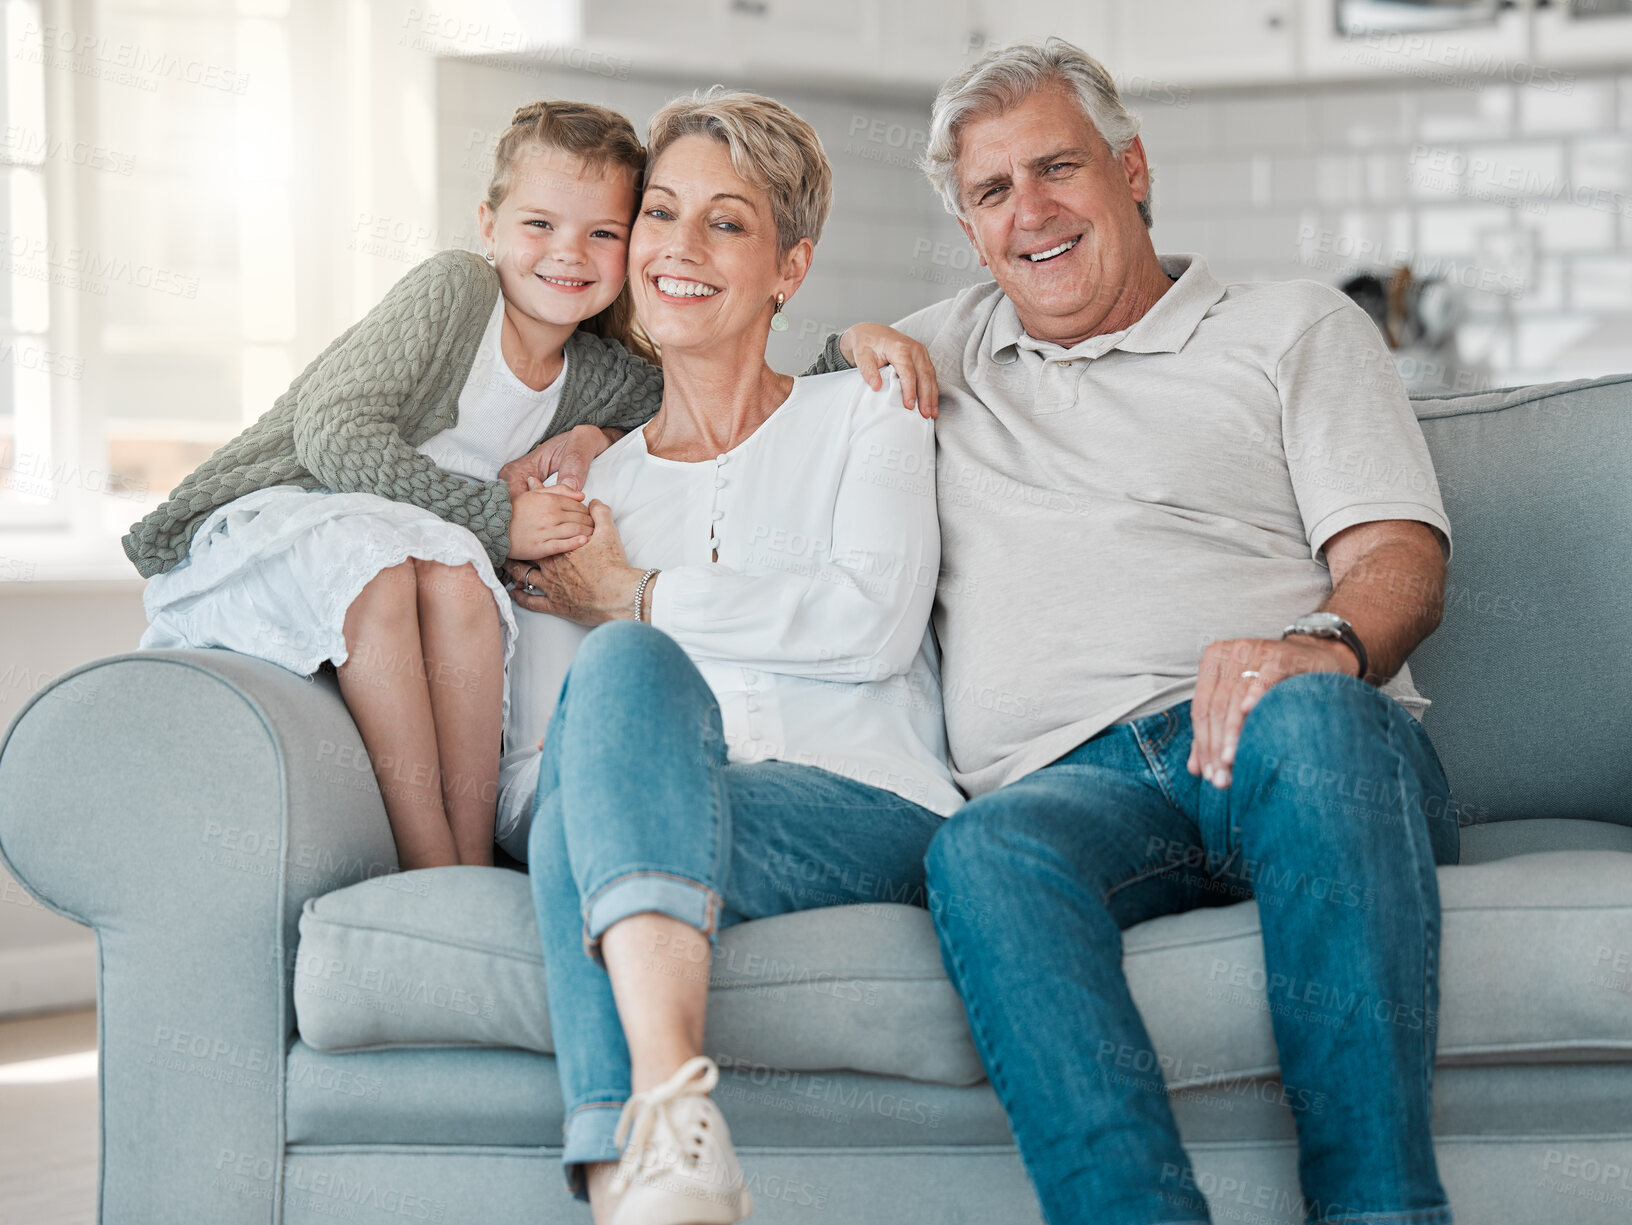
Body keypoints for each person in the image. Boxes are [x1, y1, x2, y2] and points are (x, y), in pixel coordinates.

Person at [824, 38, 1460, 1225]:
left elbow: (1398, 562)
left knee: (1317, 720)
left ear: (1133, 168)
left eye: (1058, 168)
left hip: (1293, 746)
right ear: (970, 232)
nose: (1033, 213)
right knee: (982, 851)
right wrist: (845, 344)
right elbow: (724, 397)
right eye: (994, 192)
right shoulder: (935, 355)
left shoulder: (1294, 328)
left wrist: (1315, 648)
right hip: (1078, 791)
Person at [123, 99, 929, 872]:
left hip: (433, 544)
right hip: (306, 508)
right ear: (489, 226)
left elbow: (730, 387)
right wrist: (501, 516)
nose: (569, 252)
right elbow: (332, 434)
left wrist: (846, 350)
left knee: (465, 591)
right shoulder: (459, 297)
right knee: (394, 572)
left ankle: (466, 868)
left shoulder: (608, 373)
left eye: (603, 231)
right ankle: (430, 867)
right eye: (540, 224)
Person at [499, 89, 961, 1225]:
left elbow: (873, 625)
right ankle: (664, 1155)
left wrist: (638, 597)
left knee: (610, 710)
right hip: (667, 810)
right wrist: (617, 665)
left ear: (788, 268)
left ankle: (636, 1140)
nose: (678, 249)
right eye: (659, 214)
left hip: (870, 811)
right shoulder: (588, 489)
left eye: (728, 223)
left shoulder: (871, 411)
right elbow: (533, 765)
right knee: (610, 692)